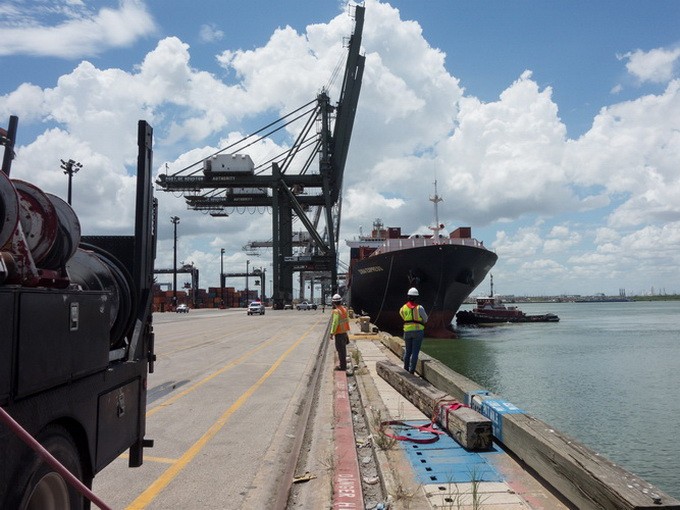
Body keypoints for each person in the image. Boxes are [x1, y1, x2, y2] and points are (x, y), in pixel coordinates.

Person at [399, 287, 428, 374]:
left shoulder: (403, 308)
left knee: (408, 351)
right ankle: (412, 371)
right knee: (415, 352)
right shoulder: (420, 308)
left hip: (407, 331)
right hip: (418, 332)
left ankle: (405, 368)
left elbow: (402, 315)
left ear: (408, 296)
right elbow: (425, 319)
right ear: (416, 297)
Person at [330, 294, 350, 371]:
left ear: (334, 303)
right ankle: (343, 365)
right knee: (343, 350)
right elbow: (346, 320)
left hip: (339, 334)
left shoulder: (336, 311)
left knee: (340, 351)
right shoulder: (344, 309)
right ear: (340, 301)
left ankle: (342, 367)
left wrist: (332, 333)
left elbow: (335, 323)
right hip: (344, 333)